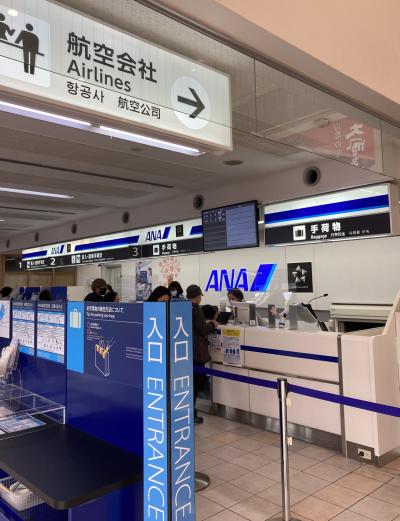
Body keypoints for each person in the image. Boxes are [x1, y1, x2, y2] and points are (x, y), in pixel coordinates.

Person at [186, 284, 218, 424]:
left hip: (186, 351)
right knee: (195, 384)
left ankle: (187, 412)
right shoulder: (196, 309)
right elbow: (203, 330)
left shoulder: (182, 307)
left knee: (188, 385)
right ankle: (191, 414)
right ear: (198, 296)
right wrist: (212, 325)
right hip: (196, 353)